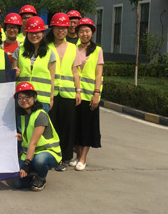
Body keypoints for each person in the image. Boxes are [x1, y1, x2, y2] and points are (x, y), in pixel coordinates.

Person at [13, 82, 62, 192]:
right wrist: (22, 138)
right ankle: (34, 173)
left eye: (27, 97)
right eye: (20, 98)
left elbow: (34, 142)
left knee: (39, 161)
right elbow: (31, 135)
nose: (23, 100)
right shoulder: (24, 115)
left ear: (34, 98)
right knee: (18, 183)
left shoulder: (40, 115)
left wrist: (26, 165)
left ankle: (41, 177)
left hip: (47, 152)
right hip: (31, 152)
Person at [70, 17, 104, 171]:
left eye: (87, 31)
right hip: (75, 94)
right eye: (82, 31)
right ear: (77, 33)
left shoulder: (97, 50)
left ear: (92, 33)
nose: (85, 34)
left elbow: (98, 73)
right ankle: (77, 156)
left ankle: (83, 158)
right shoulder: (73, 49)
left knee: (88, 127)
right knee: (76, 126)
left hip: (90, 95)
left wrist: (97, 93)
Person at [46, 13, 78, 171]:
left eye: (64, 28)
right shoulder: (46, 46)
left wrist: (78, 91)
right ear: (52, 28)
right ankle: (52, 156)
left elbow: (75, 70)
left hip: (68, 93)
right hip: (49, 92)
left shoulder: (73, 47)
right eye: (58, 28)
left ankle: (65, 157)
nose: (61, 31)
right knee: (51, 126)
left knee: (67, 126)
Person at [11, 16, 57, 112]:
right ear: (26, 33)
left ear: (43, 33)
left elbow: (52, 78)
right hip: (22, 98)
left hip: (42, 98)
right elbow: (14, 75)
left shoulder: (50, 53)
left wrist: (51, 98)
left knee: (39, 121)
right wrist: (15, 73)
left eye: (37, 32)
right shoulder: (19, 51)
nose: (34, 35)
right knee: (22, 122)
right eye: (31, 32)